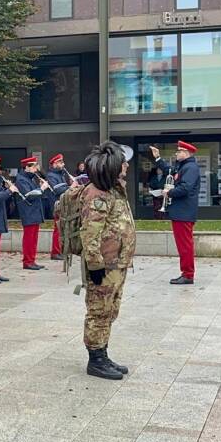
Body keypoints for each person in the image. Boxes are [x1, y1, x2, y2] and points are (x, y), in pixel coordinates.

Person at [78, 141, 136, 380]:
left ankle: (103, 352)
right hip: (104, 264)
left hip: (117, 262)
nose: (127, 166)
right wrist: (95, 266)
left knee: (110, 310)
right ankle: (96, 359)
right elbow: (90, 232)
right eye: (124, 163)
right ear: (115, 166)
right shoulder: (98, 193)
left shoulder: (114, 189)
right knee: (99, 311)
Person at [152, 141, 200, 285]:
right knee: (183, 245)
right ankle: (186, 273)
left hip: (183, 212)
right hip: (181, 211)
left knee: (185, 245)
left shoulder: (190, 167)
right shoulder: (184, 166)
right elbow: (169, 170)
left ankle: (188, 274)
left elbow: (185, 188)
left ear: (186, 153)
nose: (176, 153)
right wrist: (158, 158)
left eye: (179, 151)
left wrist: (169, 192)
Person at [15, 157, 50, 270]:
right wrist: (42, 188)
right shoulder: (21, 180)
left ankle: (32, 260)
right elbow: (29, 196)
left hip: (34, 211)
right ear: (27, 167)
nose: (36, 169)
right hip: (28, 211)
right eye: (34, 167)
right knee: (29, 238)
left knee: (34, 238)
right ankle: (27, 261)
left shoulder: (31, 178)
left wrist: (40, 186)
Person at [45, 154, 77, 260]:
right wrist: (70, 187)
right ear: (54, 164)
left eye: (62, 162)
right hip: (57, 204)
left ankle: (61, 250)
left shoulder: (61, 174)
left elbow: (64, 188)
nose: (63, 164)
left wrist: (70, 183)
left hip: (64, 204)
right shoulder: (51, 175)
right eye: (60, 162)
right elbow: (57, 190)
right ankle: (55, 252)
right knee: (58, 229)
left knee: (62, 229)